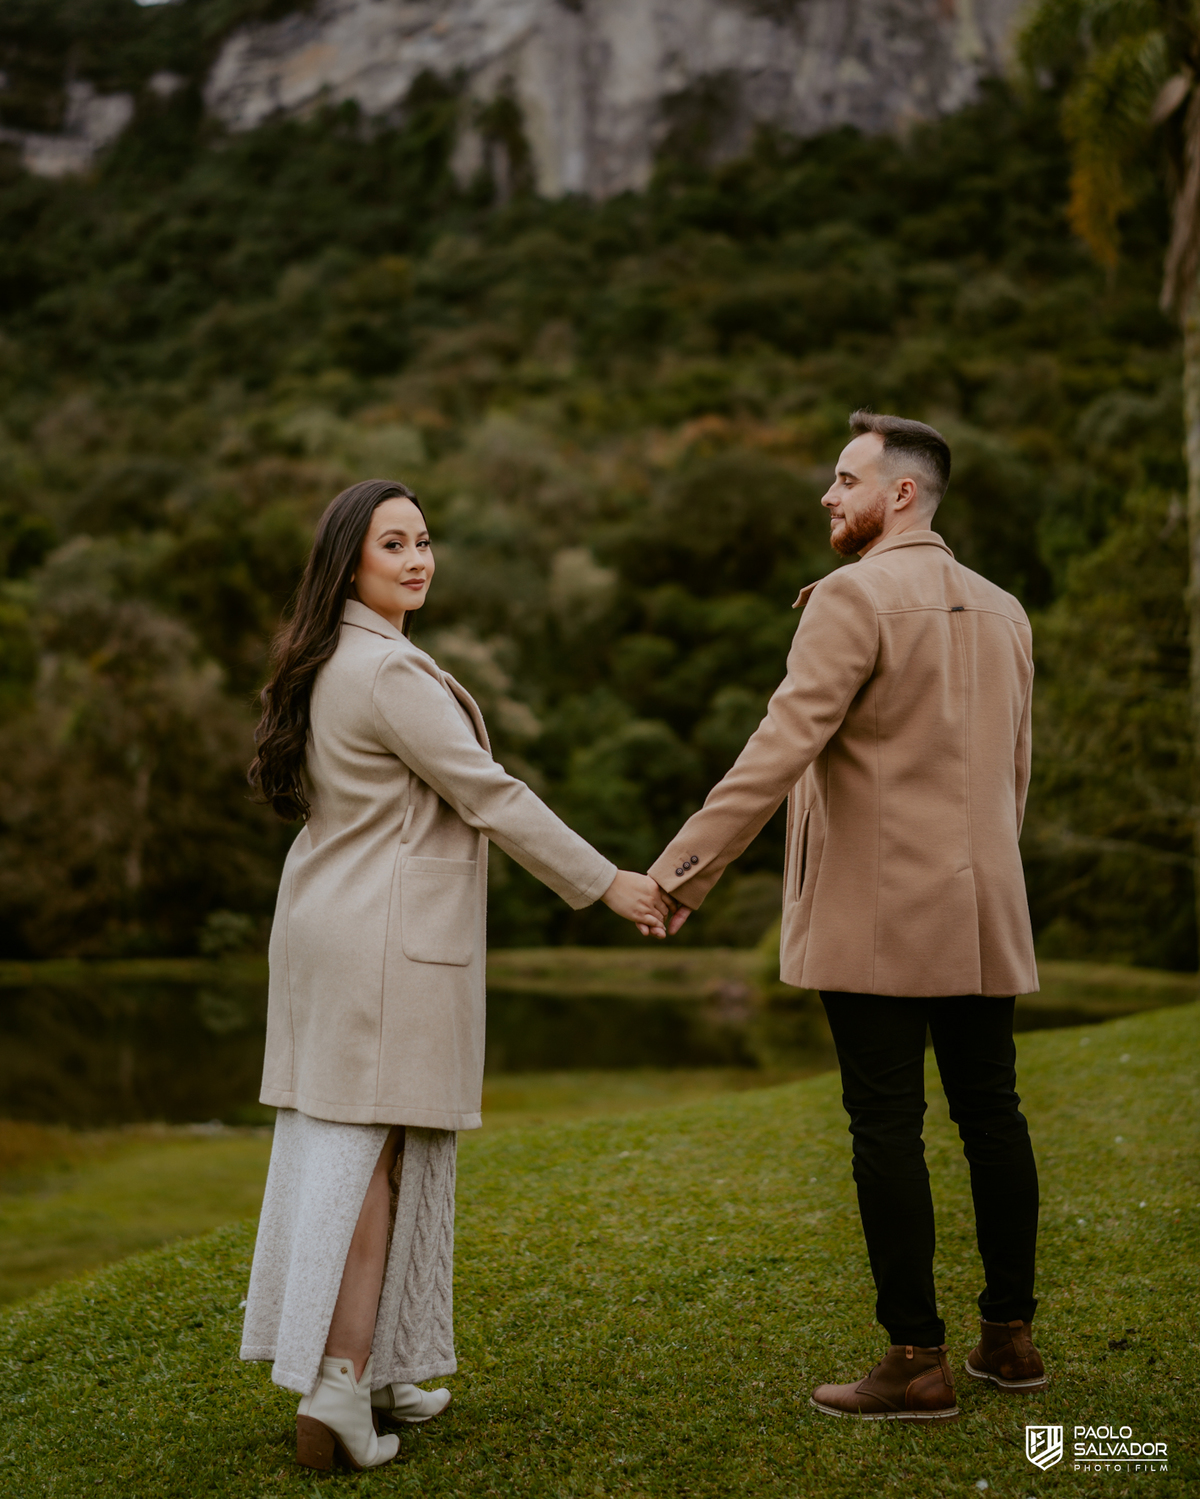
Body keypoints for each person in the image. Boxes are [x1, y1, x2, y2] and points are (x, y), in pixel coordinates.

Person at [241, 479, 670, 1471]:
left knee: (371, 1155)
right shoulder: (386, 672)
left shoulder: (331, 658)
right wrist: (609, 882)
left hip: (327, 926)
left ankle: (379, 1367)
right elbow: (492, 795)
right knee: (370, 1166)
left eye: (425, 539)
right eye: (395, 543)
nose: (419, 557)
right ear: (353, 561)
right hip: (377, 940)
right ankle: (341, 1386)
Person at [649, 412, 1045, 1422]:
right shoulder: (1006, 610)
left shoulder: (851, 597)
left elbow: (778, 750)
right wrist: (989, 874)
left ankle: (915, 1360)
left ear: (899, 494)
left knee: (888, 1124)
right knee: (992, 1115)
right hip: (983, 904)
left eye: (843, 478)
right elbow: (1014, 777)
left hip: (875, 917)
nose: (828, 496)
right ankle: (1011, 1339)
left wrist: (680, 870)